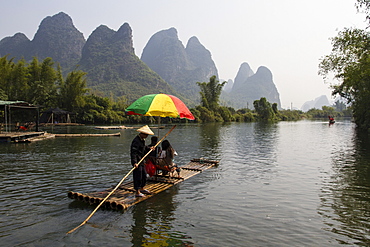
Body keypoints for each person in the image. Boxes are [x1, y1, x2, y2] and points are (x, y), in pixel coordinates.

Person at [130, 125, 154, 197]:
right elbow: (133, 152)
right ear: (142, 133)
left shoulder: (142, 140)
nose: (147, 136)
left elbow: (143, 148)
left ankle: (142, 188)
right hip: (137, 161)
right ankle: (137, 191)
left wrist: (149, 148)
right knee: (138, 176)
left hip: (142, 160)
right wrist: (134, 162)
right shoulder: (136, 141)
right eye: (146, 134)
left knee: (144, 175)